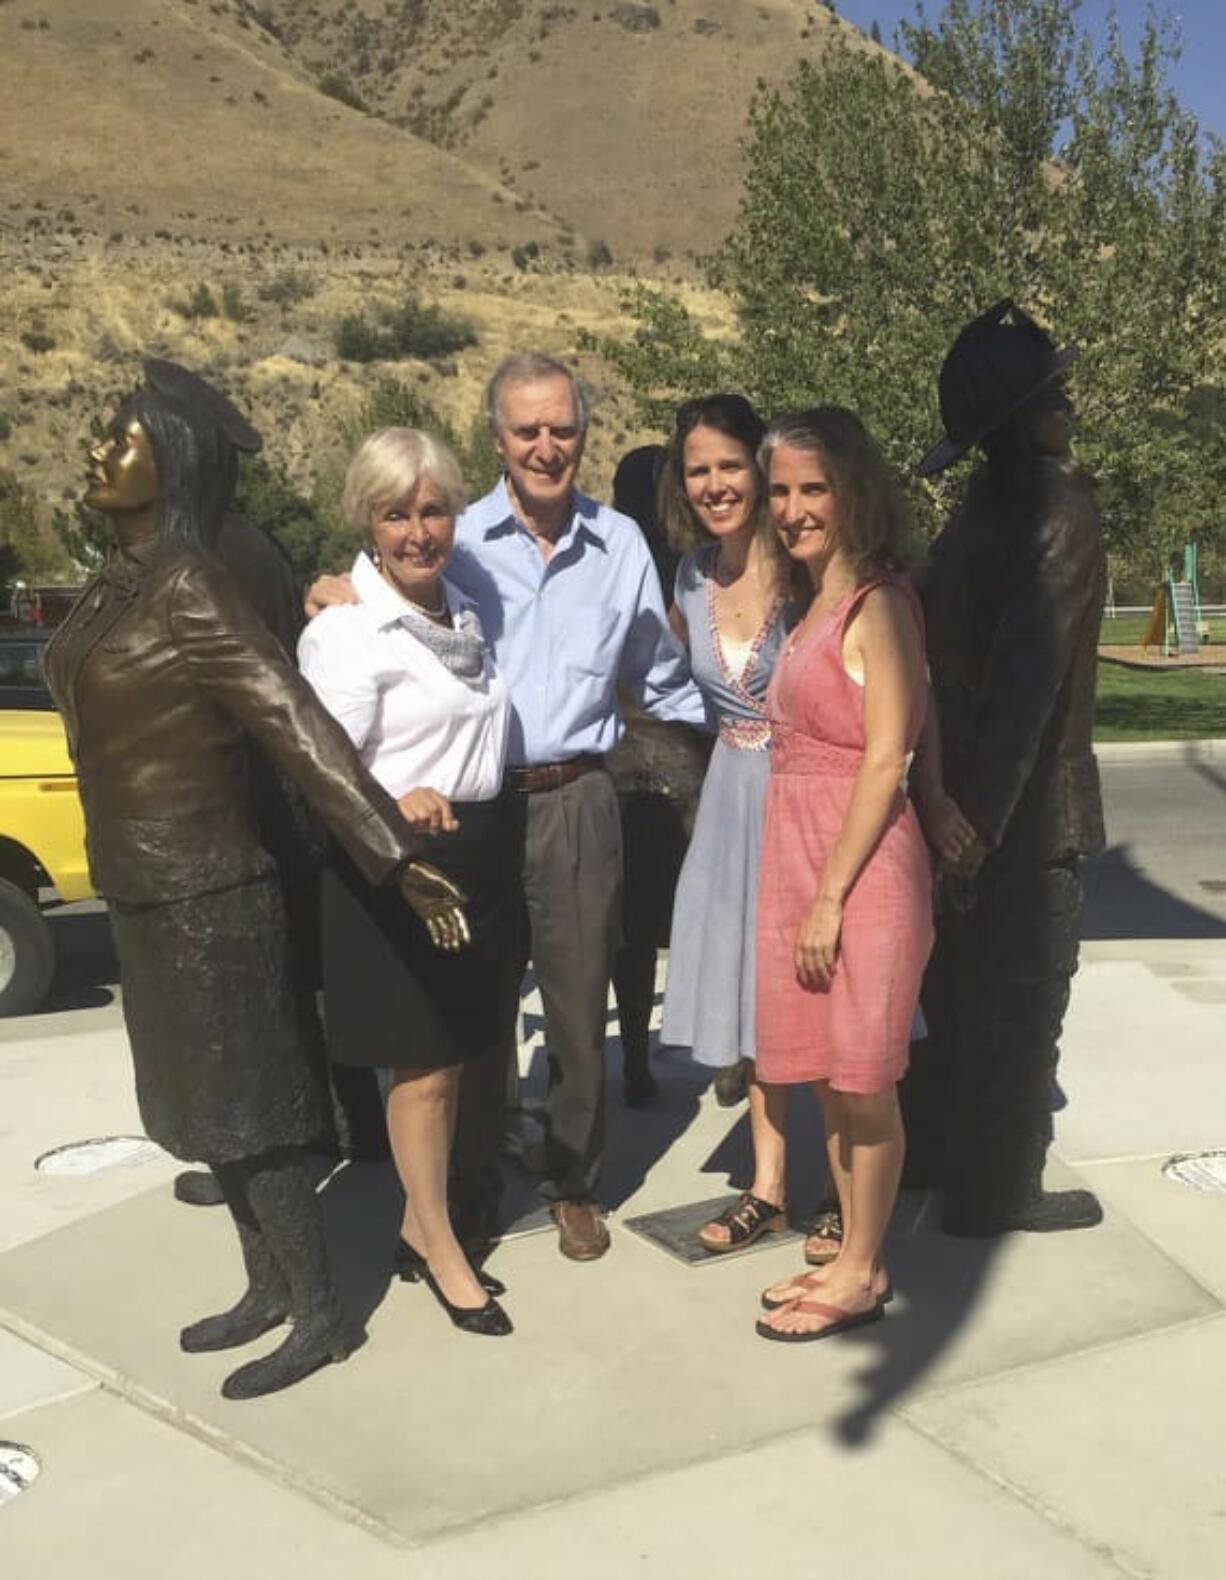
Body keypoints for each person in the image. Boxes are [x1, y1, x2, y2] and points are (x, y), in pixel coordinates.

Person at [43, 361, 468, 1399]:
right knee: (200, 1109)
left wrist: (394, 854)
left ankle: (321, 1312)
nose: (100, 448)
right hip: (145, 883)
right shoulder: (118, 579)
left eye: (123, 435)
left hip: (212, 890)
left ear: (173, 460)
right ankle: (266, 1283)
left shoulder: (191, 584)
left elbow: (294, 724)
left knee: (256, 1112)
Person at [308, 352, 708, 1261]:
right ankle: (473, 1186)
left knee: (576, 1010)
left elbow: (662, 674)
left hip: (578, 800)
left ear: (583, 433)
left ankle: (574, 1181)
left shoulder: (621, 550)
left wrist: (749, 741)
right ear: (496, 437)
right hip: (471, 812)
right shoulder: (453, 531)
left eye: (562, 427)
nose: (545, 445)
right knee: (478, 1013)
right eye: (526, 429)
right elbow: (375, 603)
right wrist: (330, 592)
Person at [298, 428, 513, 1336]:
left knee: (453, 1057)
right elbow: (319, 766)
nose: (417, 531)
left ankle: (416, 1222)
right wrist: (397, 798)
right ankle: (438, 1243)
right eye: (396, 514)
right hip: (400, 862)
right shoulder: (347, 631)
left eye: (432, 510)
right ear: (366, 519)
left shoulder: (465, 609)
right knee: (420, 1069)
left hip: (478, 854)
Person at [905, 300, 1106, 1236]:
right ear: (1027, 418)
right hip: (1027, 815)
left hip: (963, 804)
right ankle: (996, 1188)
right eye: (1055, 393)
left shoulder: (972, 518)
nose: (1071, 403)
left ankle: (938, 1155)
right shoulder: (1058, 510)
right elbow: (1026, 685)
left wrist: (949, 815)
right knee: (1023, 1006)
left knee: (955, 993)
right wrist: (974, 830)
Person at [753, 407, 933, 1342]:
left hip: (859, 872)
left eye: (812, 488)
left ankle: (863, 1268)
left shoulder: (880, 603)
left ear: (853, 489)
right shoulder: (806, 600)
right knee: (826, 1073)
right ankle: (847, 1244)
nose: (792, 508)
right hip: (799, 855)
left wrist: (827, 895)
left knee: (865, 1079)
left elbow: (886, 755)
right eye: (780, 490)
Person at [653, 394, 808, 1255]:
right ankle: (770, 1186)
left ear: (760, 464)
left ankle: (846, 1188)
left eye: (728, 465)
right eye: (698, 469)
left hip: (807, 797)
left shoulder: (809, 562)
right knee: (753, 999)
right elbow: (640, 666)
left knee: (822, 991)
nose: (715, 484)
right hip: (729, 803)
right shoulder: (687, 577)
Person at [606, 444, 712, 1107]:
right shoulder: (697, 569)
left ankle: (638, 1058)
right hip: (690, 754)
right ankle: (731, 1054)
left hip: (623, 759)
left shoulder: (610, 568)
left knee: (632, 934)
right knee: (711, 918)